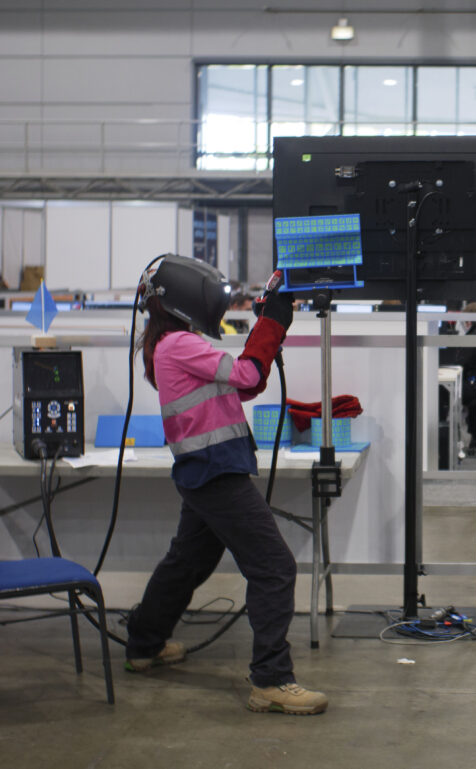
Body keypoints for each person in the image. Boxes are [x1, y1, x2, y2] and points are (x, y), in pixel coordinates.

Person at [125, 254, 328, 716]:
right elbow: (250, 374)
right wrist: (273, 323)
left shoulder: (175, 344)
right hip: (216, 473)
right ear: (184, 298)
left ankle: (144, 643)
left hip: (205, 472)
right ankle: (271, 679)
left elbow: (244, 385)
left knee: (187, 563)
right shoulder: (179, 344)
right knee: (275, 566)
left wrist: (265, 328)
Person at [440, 301, 476, 447]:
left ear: (470, 320)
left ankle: (441, 433)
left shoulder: (474, 337)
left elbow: (461, 363)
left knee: (441, 390)